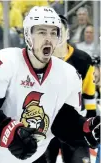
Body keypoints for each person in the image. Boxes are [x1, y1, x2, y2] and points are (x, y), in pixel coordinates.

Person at [0, 6, 100, 163]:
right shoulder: (3, 61)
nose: (48, 38)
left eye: (53, 33)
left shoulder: (69, 75)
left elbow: (61, 120)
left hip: (33, 157)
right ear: (27, 35)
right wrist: (10, 134)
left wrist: (83, 129)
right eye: (41, 32)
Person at [46, 15, 97, 163]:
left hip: (75, 126)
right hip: (45, 127)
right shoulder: (37, 60)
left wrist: (90, 123)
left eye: (60, 30)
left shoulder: (83, 60)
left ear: (68, 33)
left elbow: (89, 95)